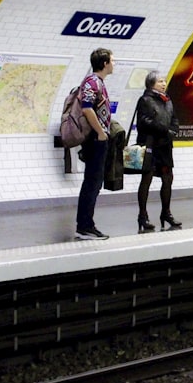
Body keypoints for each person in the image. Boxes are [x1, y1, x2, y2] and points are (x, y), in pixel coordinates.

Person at [134, 70, 181, 231]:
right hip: (150, 146)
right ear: (151, 83)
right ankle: (142, 215)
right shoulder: (145, 100)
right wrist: (163, 129)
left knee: (168, 179)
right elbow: (143, 121)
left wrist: (173, 131)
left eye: (165, 81)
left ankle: (166, 213)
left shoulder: (167, 100)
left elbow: (174, 118)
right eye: (160, 81)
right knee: (146, 180)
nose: (164, 84)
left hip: (165, 146)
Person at [74, 48, 114, 240]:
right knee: (92, 182)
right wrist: (100, 132)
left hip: (99, 138)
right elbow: (87, 109)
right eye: (112, 61)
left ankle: (86, 224)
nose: (114, 64)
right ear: (105, 63)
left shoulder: (98, 82)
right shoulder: (92, 82)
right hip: (95, 139)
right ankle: (84, 226)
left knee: (94, 183)